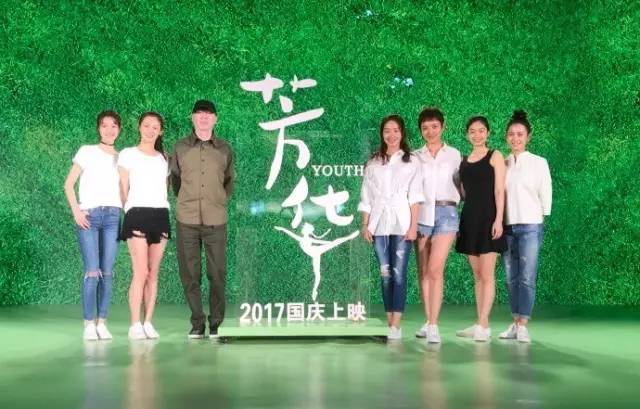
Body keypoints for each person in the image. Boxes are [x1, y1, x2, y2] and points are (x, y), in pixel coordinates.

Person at [170, 100, 234, 339]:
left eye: (209, 114)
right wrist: (187, 201)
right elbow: (175, 180)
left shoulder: (225, 149)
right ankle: (197, 322)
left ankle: (216, 322)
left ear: (215, 119)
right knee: (190, 274)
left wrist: (217, 201)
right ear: (192, 117)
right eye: (199, 113)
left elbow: (229, 181)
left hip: (216, 219)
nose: (204, 117)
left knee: (217, 273)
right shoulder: (180, 148)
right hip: (186, 219)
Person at [358, 114, 423, 341]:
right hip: (378, 224)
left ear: (402, 133)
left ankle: (396, 324)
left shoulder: (412, 161)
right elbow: (366, 197)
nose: (391, 135)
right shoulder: (373, 163)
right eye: (387, 131)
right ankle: (389, 323)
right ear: (382, 134)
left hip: (402, 223)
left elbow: (415, 197)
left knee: (399, 274)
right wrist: (365, 224)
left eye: (395, 130)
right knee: (385, 273)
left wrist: (413, 226)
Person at [64, 111, 122, 341]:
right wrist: (76, 211)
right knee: (92, 271)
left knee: (107, 272)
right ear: (99, 129)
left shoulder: (121, 158)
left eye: (114, 125)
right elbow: (68, 184)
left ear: (119, 130)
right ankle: (88, 323)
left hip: (113, 217)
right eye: (104, 125)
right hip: (89, 216)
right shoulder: (87, 151)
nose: (109, 130)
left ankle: (102, 322)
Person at [499, 110, 552, 343]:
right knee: (510, 277)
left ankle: (523, 324)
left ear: (528, 137)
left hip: (531, 226)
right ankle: (515, 320)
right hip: (507, 227)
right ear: (506, 137)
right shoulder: (503, 163)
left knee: (527, 276)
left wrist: (541, 216)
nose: (515, 138)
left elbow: (545, 191)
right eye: (511, 134)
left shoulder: (539, 162)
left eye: (520, 134)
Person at [118, 112, 171, 340]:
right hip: (136, 214)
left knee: (153, 273)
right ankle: (134, 324)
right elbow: (123, 188)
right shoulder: (127, 154)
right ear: (139, 127)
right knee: (140, 271)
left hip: (160, 214)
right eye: (147, 125)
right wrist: (129, 209)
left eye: (155, 127)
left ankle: (148, 321)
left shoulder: (164, 158)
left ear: (160, 131)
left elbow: (164, 188)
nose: (150, 130)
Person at [413, 107, 462, 343]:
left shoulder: (454, 154)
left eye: (434, 127)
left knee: (435, 269)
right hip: (422, 212)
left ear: (442, 127)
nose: (430, 131)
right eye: (425, 128)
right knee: (423, 271)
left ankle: (434, 324)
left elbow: (464, 185)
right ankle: (428, 319)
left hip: (446, 213)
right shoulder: (415, 156)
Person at [455, 116, 506, 342]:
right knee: (477, 276)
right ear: (467, 135)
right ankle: (480, 322)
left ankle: (484, 325)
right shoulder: (463, 161)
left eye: (481, 130)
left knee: (487, 275)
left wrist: (498, 220)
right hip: (469, 219)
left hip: (489, 219)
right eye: (473, 131)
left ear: (488, 133)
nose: (477, 135)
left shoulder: (495, 156)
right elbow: (463, 193)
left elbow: (499, 191)